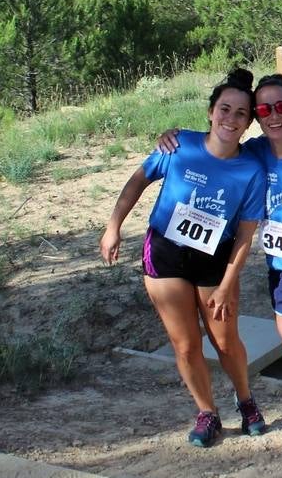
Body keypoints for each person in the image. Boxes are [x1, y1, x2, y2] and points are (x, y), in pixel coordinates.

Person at [157, 72, 282, 457]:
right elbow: (217, 143)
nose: (273, 115)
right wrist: (172, 135)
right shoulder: (256, 152)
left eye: (281, 107)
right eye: (264, 109)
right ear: (257, 118)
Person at [99, 69, 267, 448]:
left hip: (215, 262)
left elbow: (245, 234)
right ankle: (208, 412)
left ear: (248, 123)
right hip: (165, 256)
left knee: (225, 342)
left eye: (241, 114)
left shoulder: (251, 171)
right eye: (225, 109)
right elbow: (138, 180)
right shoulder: (179, 146)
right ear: (211, 111)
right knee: (186, 345)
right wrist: (113, 227)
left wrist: (226, 284)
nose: (231, 118)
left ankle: (246, 401)